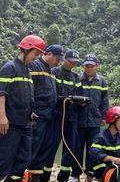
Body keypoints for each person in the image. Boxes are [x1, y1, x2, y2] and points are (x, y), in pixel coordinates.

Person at [0, 35, 46, 182]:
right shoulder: (9, 68)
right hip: (10, 124)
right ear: (26, 50)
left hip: (25, 124)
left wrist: (31, 111)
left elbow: (25, 95)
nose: (35, 58)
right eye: (35, 54)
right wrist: (2, 117)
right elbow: (0, 94)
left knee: (22, 161)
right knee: (2, 161)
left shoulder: (27, 71)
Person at [27, 44, 64, 182]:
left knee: (44, 148)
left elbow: (51, 93)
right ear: (48, 54)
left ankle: (36, 177)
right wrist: (30, 109)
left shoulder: (50, 71)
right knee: (34, 147)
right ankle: (30, 177)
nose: (58, 61)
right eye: (57, 58)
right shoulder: (35, 66)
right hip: (38, 116)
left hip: (49, 116)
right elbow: (28, 89)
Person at [71, 54, 109, 182]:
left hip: (94, 121)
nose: (89, 68)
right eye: (86, 66)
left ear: (96, 66)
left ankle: (89, 175)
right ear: (83, 66)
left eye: (91, 66)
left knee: (93, 150)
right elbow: (72, 98)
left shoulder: (102, 81)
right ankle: (75, 175)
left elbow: (105, 101)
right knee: (77, 149)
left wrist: (104, 116)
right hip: (79, 121)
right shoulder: (77, 79)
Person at [44, 49, 81, 182]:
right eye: (70, 62)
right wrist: (65, 99)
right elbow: (51, 94)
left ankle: (64, 177)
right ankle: (44, 176)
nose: (72, 65)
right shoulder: (54, 73)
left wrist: (81, 102)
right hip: (56, 118)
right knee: (50, 147)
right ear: (64, 59)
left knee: (69, 150)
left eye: (75, 63)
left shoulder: (76, 77)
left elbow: (79, 94)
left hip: (71, 119)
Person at [88, 106, 120, 182]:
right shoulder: (100, 137)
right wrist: (111, 158)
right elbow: (93, 155)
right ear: (113, 122)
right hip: (103, 169)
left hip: (118, 168)